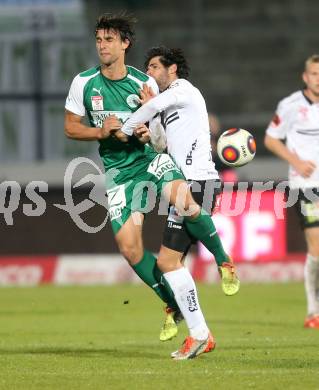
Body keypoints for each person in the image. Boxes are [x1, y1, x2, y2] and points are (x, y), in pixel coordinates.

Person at [64, 14, 237, 359]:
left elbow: (159, 135)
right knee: (130, 249)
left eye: (109, 40)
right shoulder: (83, 83)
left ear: (125, 44)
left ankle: (223, 259)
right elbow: (71, 127)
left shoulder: (147, 83)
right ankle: (171, 304)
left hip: (150, 161)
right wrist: (100, 131)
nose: (102, 46)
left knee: (186, 205)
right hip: (118, 174)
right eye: (99, 40)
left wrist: (143, 132)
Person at [120, 46, 240, 356]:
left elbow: (151, 108)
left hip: (200, 179)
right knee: (168, 262)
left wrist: (127, 127)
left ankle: (221, 262)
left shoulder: (184, 90)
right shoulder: (163, 105)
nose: (149, 73)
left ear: (171, 69)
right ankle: (197, 330)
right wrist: (150, 127)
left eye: (154, 67)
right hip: (180, 182)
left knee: (169, 261)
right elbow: (161, 144)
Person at [264, 54, 319, 329]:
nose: (318, 79)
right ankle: (313, 311)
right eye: (314, 74)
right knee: (317, 247)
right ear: (305, 77)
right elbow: (270, 139)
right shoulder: (290, 105)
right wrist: (297, 162)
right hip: (306, 185)